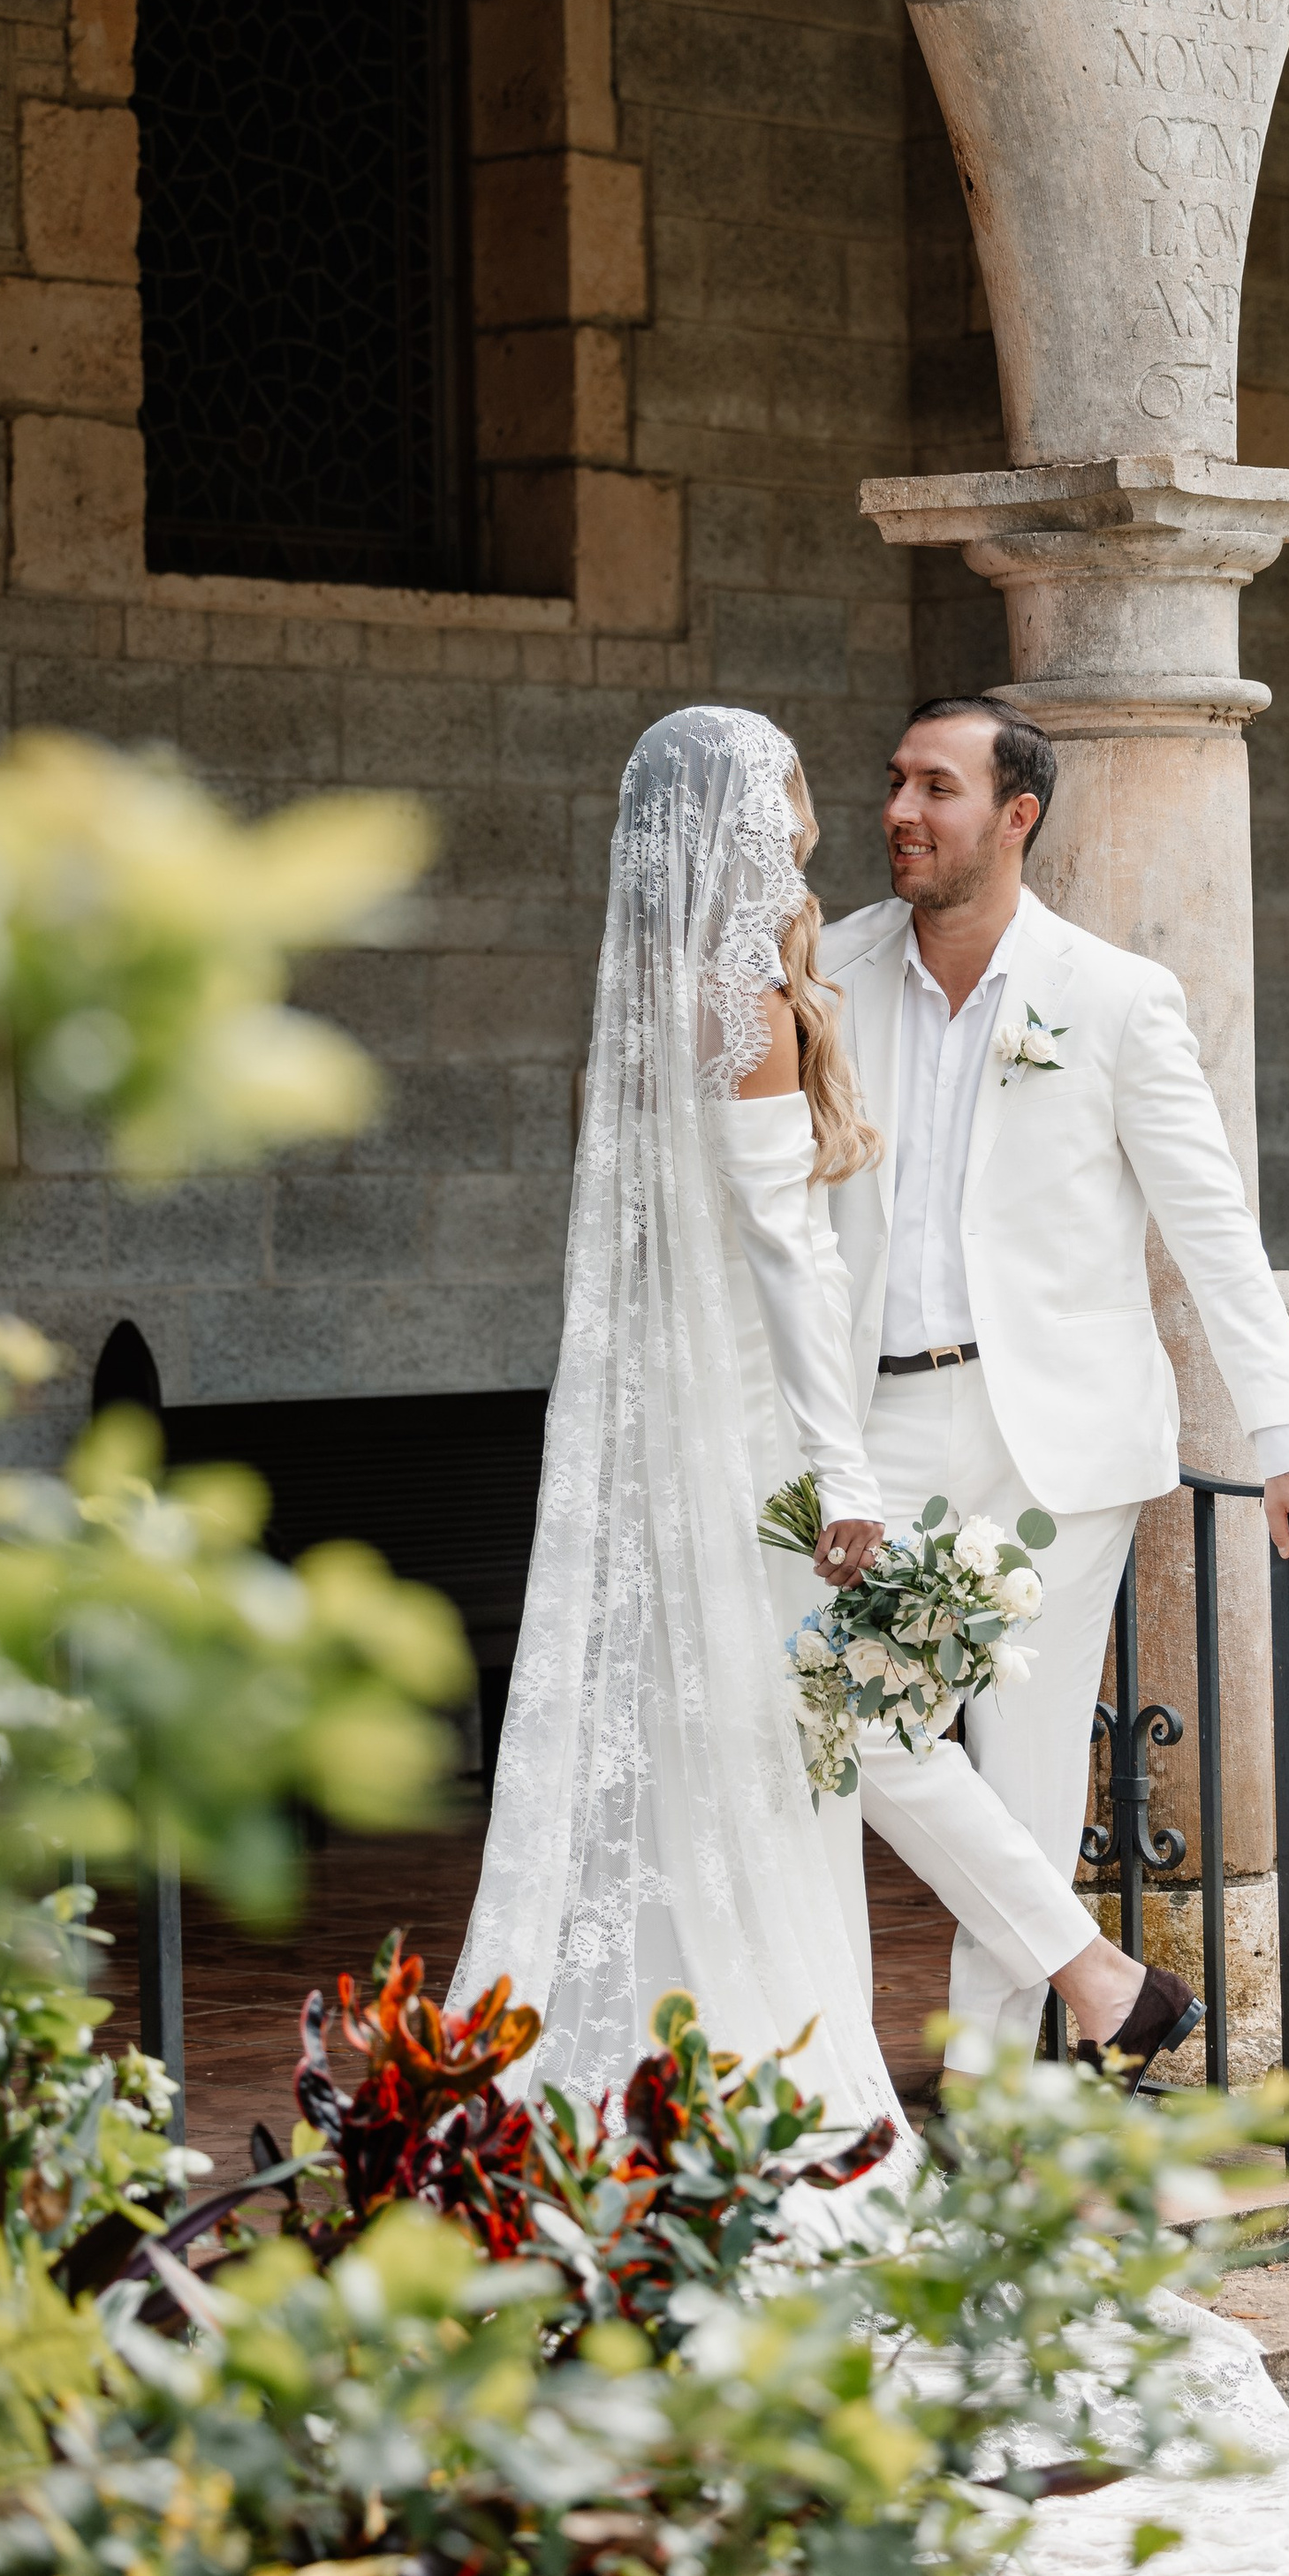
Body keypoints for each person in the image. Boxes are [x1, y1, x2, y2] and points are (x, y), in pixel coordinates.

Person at [814, 697, 1289, 2080]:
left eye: (937, 788)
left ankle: (998, 2099)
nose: (900, 812)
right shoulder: (831, 968)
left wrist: (1288, 1437)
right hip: (877, 1428)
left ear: (1018, 815)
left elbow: (1211, 1228)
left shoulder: (1113, 996)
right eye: (895, 782)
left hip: (1059, 1440)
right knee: (844, 1714)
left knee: (1033, 1778)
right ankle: (1104, 1979)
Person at [451, 706, 903, 2144]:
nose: (807, 827)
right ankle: (762, 2064)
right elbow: (788, 1249)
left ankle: (659, 2056)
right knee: (760, 1746)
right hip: (749, 1429)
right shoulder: (741, 1002)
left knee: (682, 1730)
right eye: (785, 802)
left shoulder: (643, 1009)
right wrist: (843, 1465)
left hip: (669, 1420)